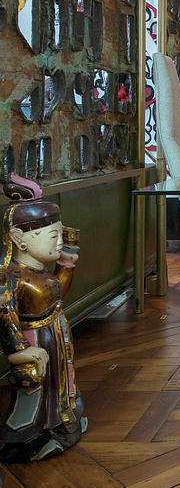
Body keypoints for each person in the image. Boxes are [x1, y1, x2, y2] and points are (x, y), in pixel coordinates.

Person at [0, 176, 85, 462]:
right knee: (37, 394)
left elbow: (57, 291)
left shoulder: (41, 272)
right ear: (19, 239)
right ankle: (29, 435)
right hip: (36, 342)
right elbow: (6, 317)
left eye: (61, 234)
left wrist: (66, 263)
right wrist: (19, 353)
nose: (59, 242)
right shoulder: (13, 278)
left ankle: (61, 422)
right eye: (52, 236)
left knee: (59, 385)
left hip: (56, 336)